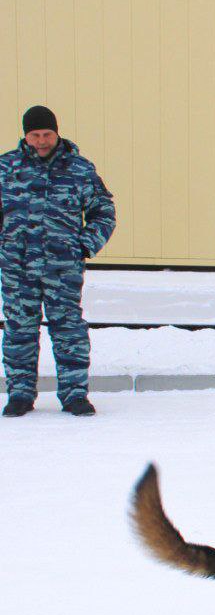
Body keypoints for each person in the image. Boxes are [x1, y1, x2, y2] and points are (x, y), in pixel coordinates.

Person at [0, 105, 116, 417]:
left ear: (57, 133)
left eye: (47, 134)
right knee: (19, 331)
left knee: (68, 331)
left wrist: (84, 245)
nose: (41, 141)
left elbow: (103, 211)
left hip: (62, 269)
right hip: (17, 268)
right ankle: (20, 394)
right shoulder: (6, 168)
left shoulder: (79, 169)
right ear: (25, 136)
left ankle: (74, 394)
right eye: (35, 135)